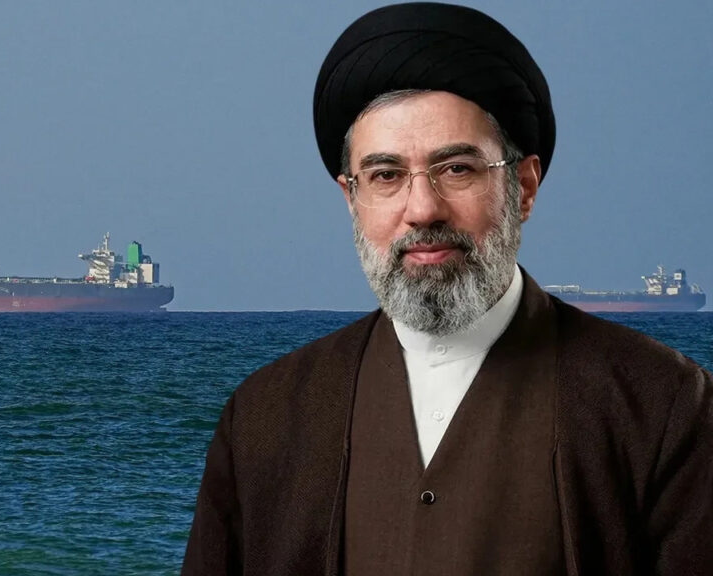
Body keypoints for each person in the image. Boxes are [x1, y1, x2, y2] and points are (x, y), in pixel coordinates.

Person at [181, 3, 713, 575]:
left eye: (457, 169)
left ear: (524, 187)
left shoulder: (664, 406)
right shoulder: (262, 417)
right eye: (386, 176)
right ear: (351, 199)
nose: (422, 209)